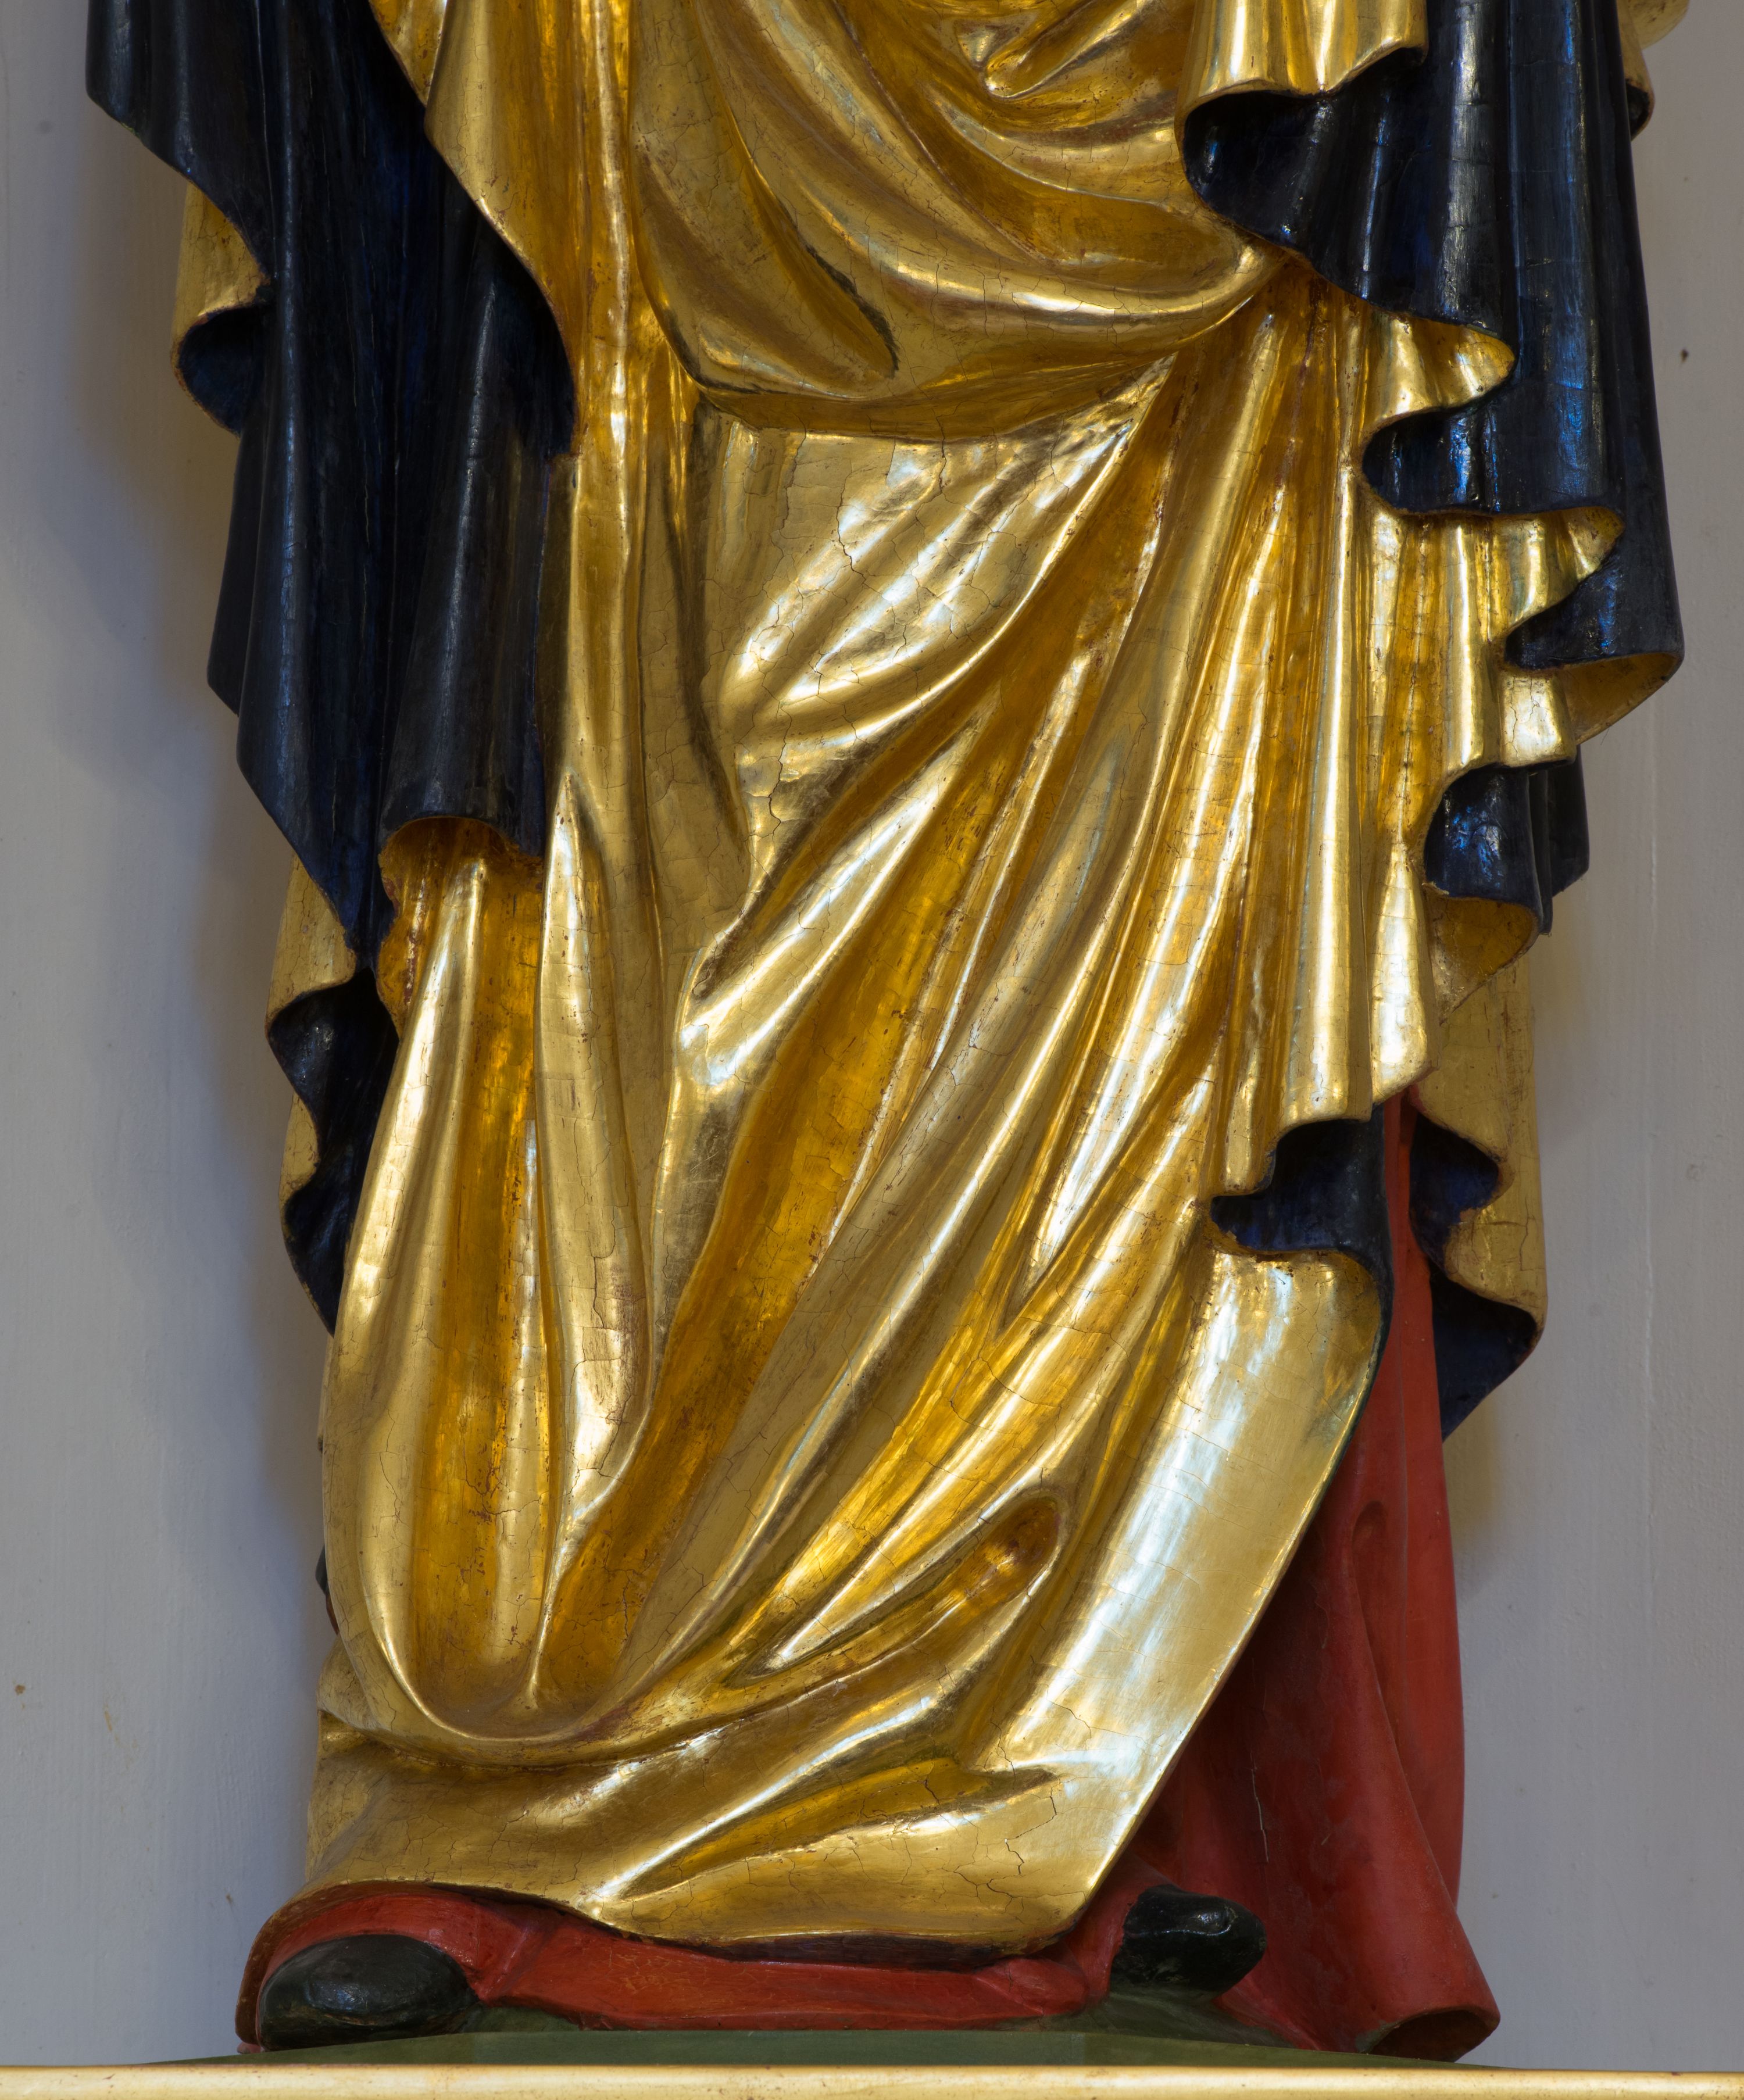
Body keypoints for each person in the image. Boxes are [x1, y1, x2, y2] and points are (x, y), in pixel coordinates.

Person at [88, 0, 1682, 2052]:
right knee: (622, 827)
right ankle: (541, 1792)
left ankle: (1135, 1786)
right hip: (653, 130)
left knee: (1202, 824)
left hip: (1225, 139)